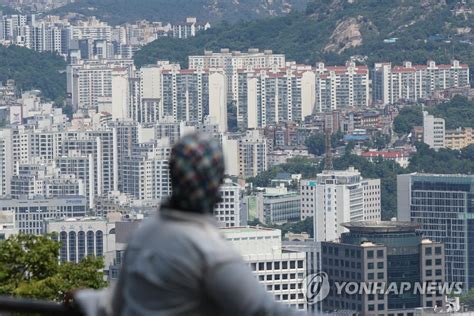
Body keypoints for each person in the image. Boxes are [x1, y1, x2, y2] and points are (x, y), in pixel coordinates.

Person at [110, 132, 301, 316]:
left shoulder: (143, 236)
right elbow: (266, 310)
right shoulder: (210, 251)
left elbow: (118, 304)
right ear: (215, 185)